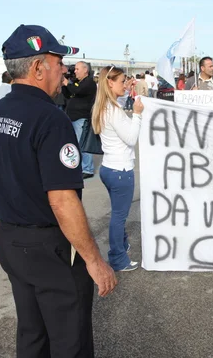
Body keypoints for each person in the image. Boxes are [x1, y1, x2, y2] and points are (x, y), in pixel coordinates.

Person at [0, 24, 117, 356]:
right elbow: (63, 199)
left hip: (12, 240)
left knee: (32, 331)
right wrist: (94, 260)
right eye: (58, 62)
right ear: (38, 68)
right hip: (50, 247)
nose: (63, 70)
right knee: (70, 338)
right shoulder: (51, 119)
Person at [91, 65, 143, 272]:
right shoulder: (113, 111)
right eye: (122, 81)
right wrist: (137, 115)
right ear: (110, 83)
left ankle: (121, 246)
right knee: (119, 217)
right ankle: (118, 258)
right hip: (121, 171)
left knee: (117, 214)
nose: (125, 84)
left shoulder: (104, 107)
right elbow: (131, 138)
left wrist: (126, 89)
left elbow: (118, 105)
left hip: (109, 168)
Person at [62, 61, 97, 179]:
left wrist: (67, 83)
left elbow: (78, 91)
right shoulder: (78, 82)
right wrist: (64, 85)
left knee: (83, 143)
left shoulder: (89, 83)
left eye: (77, 69)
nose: (75, 71)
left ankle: (87, 168)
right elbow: (69, 95)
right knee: (76, 143)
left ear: (85, 70)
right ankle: (81, 166)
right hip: (73, 117)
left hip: (81, 117)